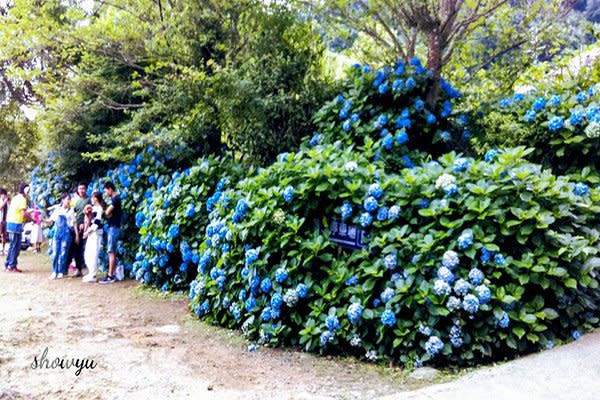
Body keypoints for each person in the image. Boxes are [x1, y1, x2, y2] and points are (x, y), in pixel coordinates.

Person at [48, 193, 76, 279]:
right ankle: (54, 271)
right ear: (63, 199)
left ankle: (62, 271)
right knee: (55, 252)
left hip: (66, 234)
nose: (68, 201)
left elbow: (74, 224)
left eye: (69, 199)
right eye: (67, 199)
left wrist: (77, 235)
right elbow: (51, 220)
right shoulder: (57, 210)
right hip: (57, 233)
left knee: (64, 253)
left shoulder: (71, 211)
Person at [4, 183, 31, 272]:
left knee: (13, 245)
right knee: (15, 246)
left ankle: (8, 264)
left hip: (11, 223)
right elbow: (24, 213)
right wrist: (32, 219)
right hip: (15, 224)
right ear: (26, 190)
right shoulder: (22, 199)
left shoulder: (15, 198)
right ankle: (12, 266)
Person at [99, 182, 122, 284]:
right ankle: (112, 274)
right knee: (112, 252)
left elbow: (107, 212)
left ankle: (110, 276)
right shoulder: (115, 199)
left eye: (105, 190)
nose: (105, 193)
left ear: (110, 189)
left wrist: (103, 211)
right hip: (114, 228)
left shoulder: (116, 199)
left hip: (114, 228)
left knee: (111, 252)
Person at [82, 191, 105, 283]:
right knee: (87, 253)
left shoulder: (99, 209)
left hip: (96, 234)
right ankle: (90, 272)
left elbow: (97, 223)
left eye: (92, 197)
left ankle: (93, 274)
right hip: (91, 233)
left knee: (93, 254)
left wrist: (88, 231)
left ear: (96, 198)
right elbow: (89, 221)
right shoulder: (93, 208)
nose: (91, 199)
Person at [70, 182, 90, 278]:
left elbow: (90, 214)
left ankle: (85, 268)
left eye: (83, 188)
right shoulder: (77, 201)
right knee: (76, 248)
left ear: (86, 189)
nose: (81, 190)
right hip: (76, 227)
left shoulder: (89, 200)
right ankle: (78, 269)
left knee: (83, 248)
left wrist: (85, 224)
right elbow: (74, 213)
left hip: (85, 228)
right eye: (80, 189)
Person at [0, 189, 8, 255]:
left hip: (5, 220)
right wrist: (5, 202)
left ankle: (3, 249)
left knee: (4, 235)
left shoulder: (6, 202)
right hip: (0, 220)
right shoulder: (1, 201)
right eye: (4, 195)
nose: (5, 196)